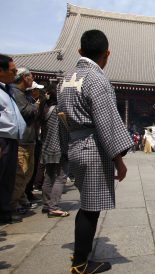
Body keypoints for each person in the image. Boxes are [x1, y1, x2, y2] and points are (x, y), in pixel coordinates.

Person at [57, 30, 133, 273]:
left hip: (74, 144)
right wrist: (118, 160)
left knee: (87, 203)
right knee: (90, 209)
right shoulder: (96, 79)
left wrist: (65, 150)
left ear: (80, 51)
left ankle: (80, 257)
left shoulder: (66, 78)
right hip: (92, 147)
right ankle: (80, 264)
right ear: (106, 53)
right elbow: (106, 121)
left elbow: (60, 119)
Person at [10, 68, 40, 215]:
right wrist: (37, 104)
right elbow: (28, 112)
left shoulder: (23, 94)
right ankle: (12, 205)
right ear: (24, 77)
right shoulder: (16, 93)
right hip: (22, 140)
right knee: (20, 173)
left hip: (28, 139)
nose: (32, 79)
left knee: (27, 173)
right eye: (31, 76)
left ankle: (20, 199)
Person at [0, 54, 26, 224]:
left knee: (7, 179)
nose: (15, 74)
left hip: (11, 140)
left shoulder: (7, 90)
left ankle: (4, 213)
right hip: (2, 140)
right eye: (12, 70)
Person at [40, 85, 69, 217]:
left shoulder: (46, 109)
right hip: (58, 146)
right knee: (61, 176)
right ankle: (53, 206)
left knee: (49, 175)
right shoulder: (58, 110)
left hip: (47, 146)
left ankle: (46, 204)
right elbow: (63, 131)